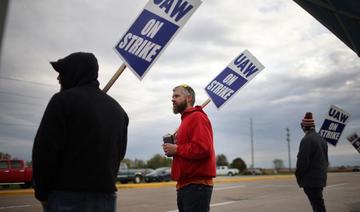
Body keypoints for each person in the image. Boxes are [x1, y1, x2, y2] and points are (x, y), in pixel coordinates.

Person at [32, 52, 128, 212]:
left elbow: (44, 152)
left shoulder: (62, 101)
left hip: (66, 196)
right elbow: (119, 154)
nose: (58, 78)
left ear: (74, 72)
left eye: (61, 73)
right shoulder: (119, 111)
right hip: (107, 198)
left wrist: (41, 193)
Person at [162, 84, 216, 212]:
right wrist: (174, 148)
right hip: (185, 185)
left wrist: (177, 149)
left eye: (177, 96)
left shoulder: (197, 117)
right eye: (172, 96)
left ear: (189, 98)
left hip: (197, 185)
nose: (173, 99)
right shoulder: (186, 120)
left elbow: (203, 148)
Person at [295, 112, 328, 212]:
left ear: (304, 127)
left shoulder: (307, 140)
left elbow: (302, 161)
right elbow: (325, 160)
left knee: (318, 207)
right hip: (320, 178)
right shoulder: (322, 139)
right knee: (318, 205)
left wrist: (298, 175)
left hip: (311, 181)